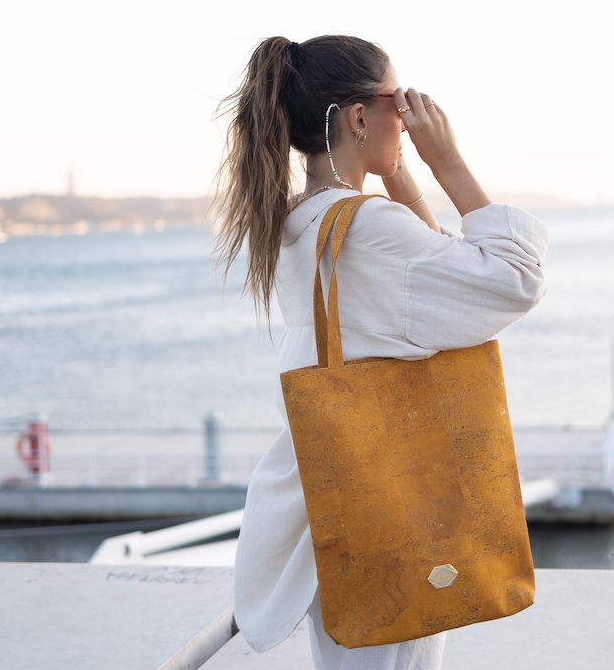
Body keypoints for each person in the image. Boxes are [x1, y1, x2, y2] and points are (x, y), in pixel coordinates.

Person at [212, 35, 549, 669]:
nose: (413, 116)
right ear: (360, 116)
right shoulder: (366, 228)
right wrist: (448, 163)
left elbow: (428, 271)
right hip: (391, 504)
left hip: (333, 490)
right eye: (401, 100)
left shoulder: (296, 222)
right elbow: (512, 278)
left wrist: (397, 175)